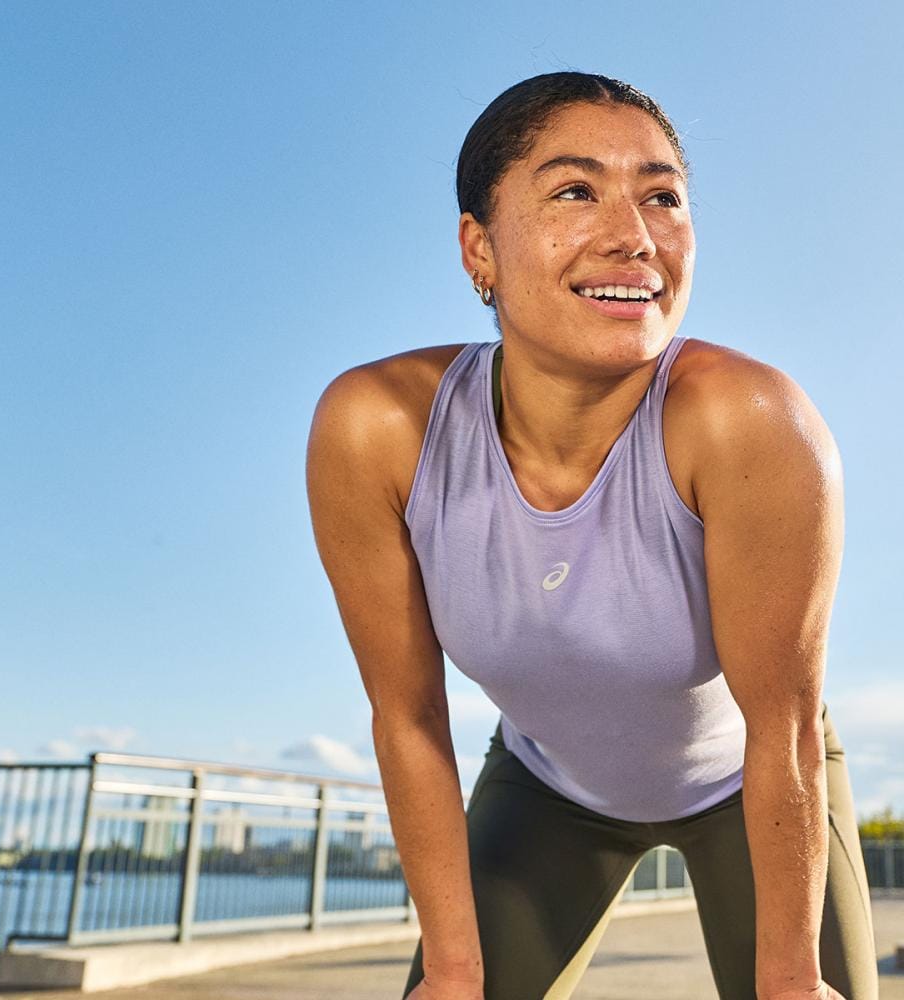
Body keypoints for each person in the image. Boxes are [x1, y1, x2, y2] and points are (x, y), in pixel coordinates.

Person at [305, 72, 878, 1000]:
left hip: (753, 784)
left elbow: (783, 725)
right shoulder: (377, 430)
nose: (635, 236)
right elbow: (407, 716)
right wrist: (452, 972)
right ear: (478, 248)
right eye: (575, 190)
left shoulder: (753, 422)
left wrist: (791, 980)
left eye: (662, 196)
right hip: (547, 789)